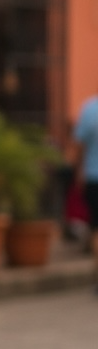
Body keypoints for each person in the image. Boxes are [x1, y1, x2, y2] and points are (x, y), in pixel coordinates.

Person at [73, 86, 98, 286]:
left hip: (93, 176)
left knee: (96, 228)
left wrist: (78, 172)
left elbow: (79, 146)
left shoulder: (89, 110)